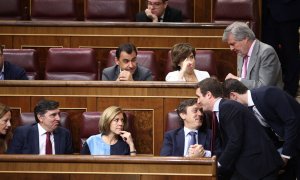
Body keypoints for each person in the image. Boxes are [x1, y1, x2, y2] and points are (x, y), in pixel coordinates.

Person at [196, 78, 283, 179]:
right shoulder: (222, 109)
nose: (198, 101)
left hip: (259, 166)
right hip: (248, 166)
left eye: (198, 97)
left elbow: (235, 141)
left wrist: (218, 165)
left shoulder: (227, 107)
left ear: (208, 95)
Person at [222, 78, 300, 179]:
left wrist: (285, 154)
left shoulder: (268, 93)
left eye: (229, 103)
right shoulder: (247, 111)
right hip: (286, 146)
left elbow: (291, 121)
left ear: (233, 95)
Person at [223, 22, 283, 90]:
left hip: (264, 99)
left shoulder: (266, 52)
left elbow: (264, 87)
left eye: (233, 44)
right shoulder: (240, 53)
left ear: (245, 39)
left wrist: (238, 80)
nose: (231, 49)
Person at [262, 0, 300, 97]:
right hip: (265, 13)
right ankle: (270, 88)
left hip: (288, 11)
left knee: (290, 53)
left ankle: (290, 91)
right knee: (268, 52)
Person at [7, 99, 73, 154]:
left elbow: (68, 162)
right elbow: (12, 160)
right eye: (53, 115)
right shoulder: (22, 133)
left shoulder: (65, 134)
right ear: (40, 117)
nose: (58, 118)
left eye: (59, 114)